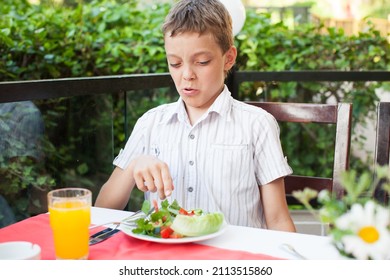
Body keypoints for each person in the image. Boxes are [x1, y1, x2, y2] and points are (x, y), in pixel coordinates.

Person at [95, 0, 296, 232]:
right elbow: (104, 207)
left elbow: (278, 220)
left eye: (202, 62)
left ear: (228, 58)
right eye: (175, 63)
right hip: (165, 258)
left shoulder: (257, 125)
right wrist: (133, 166)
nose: (187, 75)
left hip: (233, 260)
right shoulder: (151, 123)